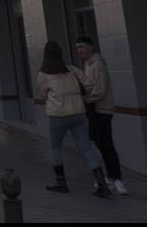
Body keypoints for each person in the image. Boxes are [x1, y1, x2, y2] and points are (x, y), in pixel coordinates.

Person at [36, 41, 110, 197]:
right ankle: (101, 183)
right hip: (78, 113)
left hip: (57, 114)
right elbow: (89, 84)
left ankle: (61, 181)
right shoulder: (71, 69)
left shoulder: (44, 74)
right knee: (86, 148)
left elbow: (42, 93)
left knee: (55, 147)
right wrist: (82, 97)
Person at [74, 36, 127, 195]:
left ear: (91, 47)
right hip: (94, 109)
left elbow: (100, 90)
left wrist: (84, 99)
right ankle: (111, 176)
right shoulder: (87, 64)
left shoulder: (98, 65)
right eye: (77, 48)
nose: (80, 51)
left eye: (82, 47)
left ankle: (116, 178)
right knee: (101, 143)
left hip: (102, 109)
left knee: (106, 143)